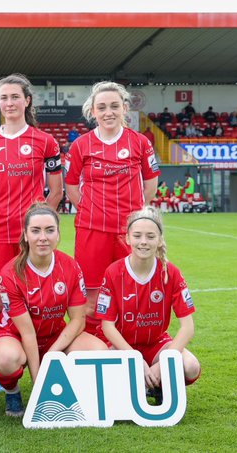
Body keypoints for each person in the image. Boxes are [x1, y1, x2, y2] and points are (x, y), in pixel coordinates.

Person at [0, 203, 107, 416]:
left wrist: (52, 353)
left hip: (53, 335)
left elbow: (78, 320)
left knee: (98, 351)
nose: (43, 237)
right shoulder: (10, 273)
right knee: (7, 359)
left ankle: (73, 390)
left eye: (49, 230)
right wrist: (39, 384)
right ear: (25, 235)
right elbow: (27, 332)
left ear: (58, 234)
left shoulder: (71, 266)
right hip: (14, 334)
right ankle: (12, 391)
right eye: (36, 231)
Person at [64, 81, 160, 341]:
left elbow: (150, 184)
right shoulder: (81, 144)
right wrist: (89, 209)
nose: (108, 112)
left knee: (134, 290)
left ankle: (133, 347)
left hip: (129, 233)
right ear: (93, 111)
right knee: (91, 298)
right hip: (92, 230)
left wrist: (137, 217)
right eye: (102, 107)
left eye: (114, 106)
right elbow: (72, 185)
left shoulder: (140, 142)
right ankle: (93, 349)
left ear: (125, 108)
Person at [0, 73, 63, 331]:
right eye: (3, 98)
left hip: (31, 233)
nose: (9, 103)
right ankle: (0, 344)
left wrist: (41, 227)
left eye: (15, 97)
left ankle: (40, 342)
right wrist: (0, 213)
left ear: (27, 101)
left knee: (36, 290)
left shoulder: (45, 141)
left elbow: (55, 192)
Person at [95, 206, 201, 402]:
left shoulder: (171, 273)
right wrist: (135, 359)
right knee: (102, 374)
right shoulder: (113, 272)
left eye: (150, 236)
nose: (143, 242)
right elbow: (107, 326)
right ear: (127, 238)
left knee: (191, 366)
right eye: (137, 236)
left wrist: (162, 364)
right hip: (122, 345)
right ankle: (140, 385)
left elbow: (188, 327)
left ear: (160, 240)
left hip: (156, 345)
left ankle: (158, 385)